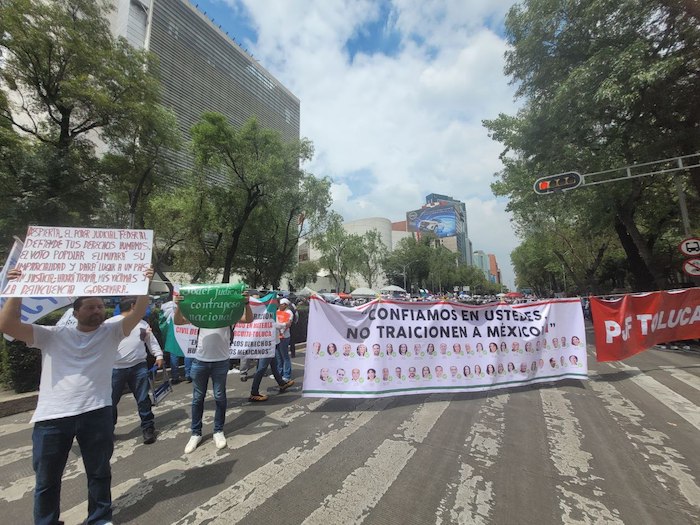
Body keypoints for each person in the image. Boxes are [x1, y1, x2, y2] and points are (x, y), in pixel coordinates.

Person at [0, 266, 153, 525]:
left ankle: (100, 518)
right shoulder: (50, 335)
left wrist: (144, 281)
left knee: (99, 472)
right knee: (47, 480)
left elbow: (138, 310)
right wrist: (17, 288)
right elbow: (7, 325)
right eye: (90, 307)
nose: (97, 311)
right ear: (76, 312)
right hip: (53, 418)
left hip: (97, 412)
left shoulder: (112, 332)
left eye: (100, 306)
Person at [174, 291, 253, 454]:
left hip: (220, 362)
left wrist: (246, 303)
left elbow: (248, 319)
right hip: (200, 361)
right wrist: (178, 306)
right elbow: (179, 321)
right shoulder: (201, 315)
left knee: (220, 397)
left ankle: (218, 431)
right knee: (197, 399)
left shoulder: (228, 315)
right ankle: (195, 433)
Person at [109, 297, 165, 445]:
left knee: (143, 399)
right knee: (110, 402)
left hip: (138, 367)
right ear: (133, 306)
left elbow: (150, 341)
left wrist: (158, 355)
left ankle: (148, 428)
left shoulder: (142, 323)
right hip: (115, 368)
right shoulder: (110, 323)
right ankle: (107, 431)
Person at [275, 298, 294, 382]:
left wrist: (282, 331)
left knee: (285, 356)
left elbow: (288, 324)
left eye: (282, 304)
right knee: (278, 356)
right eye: (280, 304)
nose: (280, 305)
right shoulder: (277, 311)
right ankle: (279, 373)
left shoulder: (289, 312)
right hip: (277, 336)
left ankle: (287, 375)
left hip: (284, 337)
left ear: (286, 305)